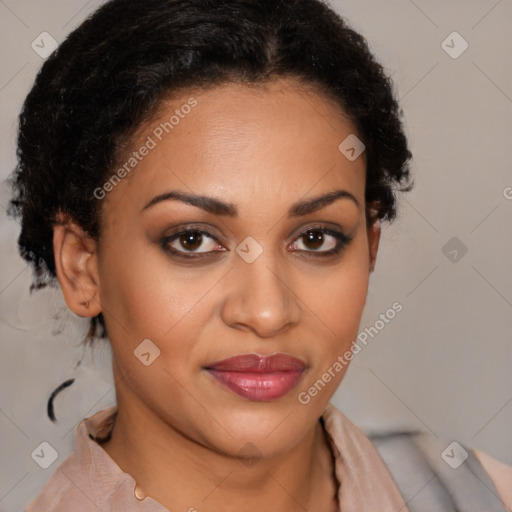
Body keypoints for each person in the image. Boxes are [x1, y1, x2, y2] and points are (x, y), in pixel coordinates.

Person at [8, 0, 511, 510]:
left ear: (370, 247)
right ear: (82, 266)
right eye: (193, 240)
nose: (268, 312)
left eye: (315, 238)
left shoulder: (477, 493)